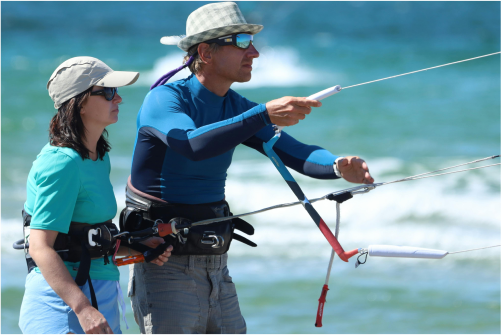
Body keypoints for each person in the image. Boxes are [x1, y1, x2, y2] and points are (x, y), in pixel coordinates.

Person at [126, 2, 374, 334]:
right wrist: (262, 115)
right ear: (206, 52)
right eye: (242, 41)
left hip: (217, 266)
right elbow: (192, 144)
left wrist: (337, 166)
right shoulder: (164, 100)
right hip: (165, 264)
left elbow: (296, 153)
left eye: (252, 42)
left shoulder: (237, 107)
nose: (254, 52)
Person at [18, 56, 172, 335]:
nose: (119, 99)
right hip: (62, 306)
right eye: (109, 92)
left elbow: (84, 239)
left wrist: (138, 248)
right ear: (80, 103)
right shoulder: (61, 163)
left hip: (100, 296)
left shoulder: (98, 158)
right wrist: (82, 308)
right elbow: (41, 247)